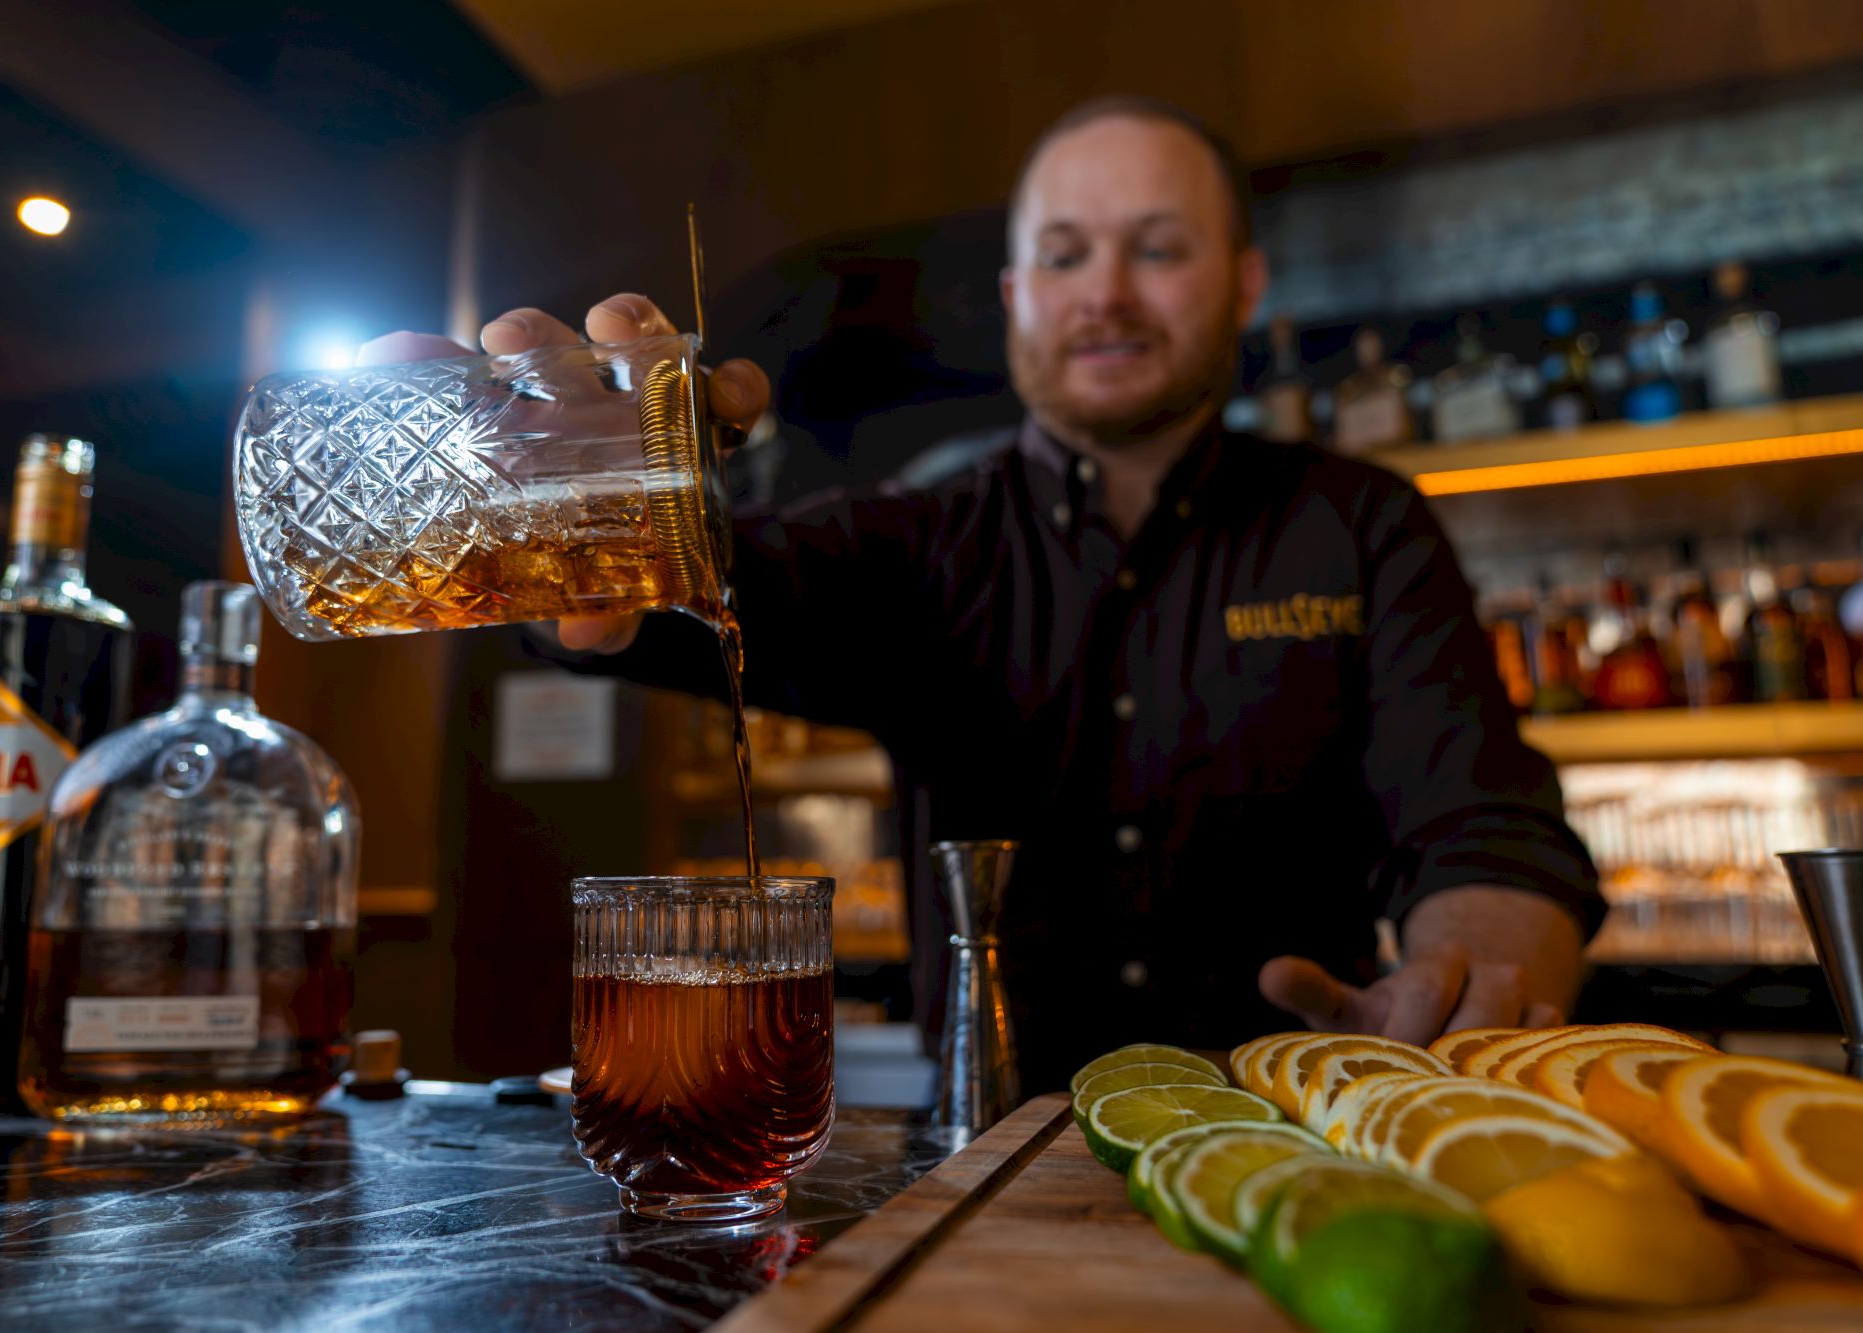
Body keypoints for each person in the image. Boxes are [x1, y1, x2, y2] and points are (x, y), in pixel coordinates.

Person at [363, 95, 1602, 1093]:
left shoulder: (1358, 523)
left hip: (1298, 1133)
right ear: (1014, 301)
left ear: (1243, 284)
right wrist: (580, 533)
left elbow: (1482, 819)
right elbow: (688, 592)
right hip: (985, 1171)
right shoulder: (921, 537)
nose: (1103, 291)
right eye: (1062, 255)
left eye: (1157, 250)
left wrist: (1464, 976)